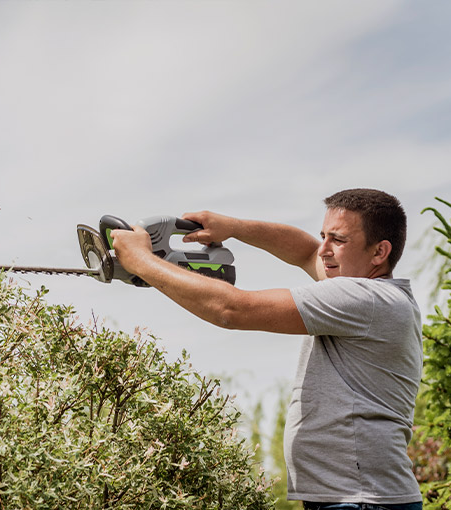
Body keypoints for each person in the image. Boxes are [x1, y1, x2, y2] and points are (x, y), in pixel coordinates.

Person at [110, 189, 423, 510]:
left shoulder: (364, 299)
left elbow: (232, 310)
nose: (324, 250)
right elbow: (305, 251)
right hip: (354, 498)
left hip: (363, 501)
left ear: (379, 252)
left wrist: (143, 261)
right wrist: (235, 227)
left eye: (338, 240)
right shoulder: (369, 290)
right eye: (324, 236)